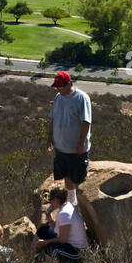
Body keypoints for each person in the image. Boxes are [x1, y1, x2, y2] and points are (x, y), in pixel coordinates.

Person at [47, 71, 91, 207]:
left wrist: (81, 142)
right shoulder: (58, 97)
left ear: (69, 83)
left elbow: (86, 122)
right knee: (66, 176)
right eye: (57, 87)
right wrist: (49, 138)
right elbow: (52, 118)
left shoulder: (81, 98)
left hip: (75, 148)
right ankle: (71, 203)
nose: (58, 89)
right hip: (61, 147)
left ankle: (78, 206)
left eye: (60, 86)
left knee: (76, 177)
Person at [33, 187, 89, 263]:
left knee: (51, 248)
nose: (50, 203)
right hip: (69, 243)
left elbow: (62, 239)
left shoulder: (64, 213)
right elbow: (61, 229)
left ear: (56, 200)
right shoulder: (66, 206)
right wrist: (50, 221)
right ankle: (32, 254)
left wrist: (44, 242)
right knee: (44, 229)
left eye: (51, 200)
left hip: (77, 250)